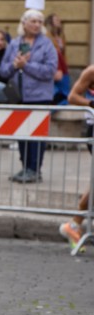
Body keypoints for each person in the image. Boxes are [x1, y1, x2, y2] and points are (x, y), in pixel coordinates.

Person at [0, 9, 58, 183]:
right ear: (24, 23)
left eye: (40, 22)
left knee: (37, 137)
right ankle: (25, 167)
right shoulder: (15, 43)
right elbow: (3, 70)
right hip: (19, 96)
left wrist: (27, 65)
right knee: (22, 135)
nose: (37, 25)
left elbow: (50, 71)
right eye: (33, 21)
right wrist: (15, 65)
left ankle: (35, 169)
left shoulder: (47, 45)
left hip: (40, 97)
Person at [59, 64, 94, 251]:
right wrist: (90, 103)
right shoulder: (91, 71)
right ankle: (74, 225)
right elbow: (72, 96)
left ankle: (74, 225)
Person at [44, 13, 70, 105]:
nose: (59, 21)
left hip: (62, 65)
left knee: (64, 90)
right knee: (56, 91)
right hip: (54, 66)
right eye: (56, 20)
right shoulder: (47, 37)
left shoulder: (61, 37)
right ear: (50, 23)